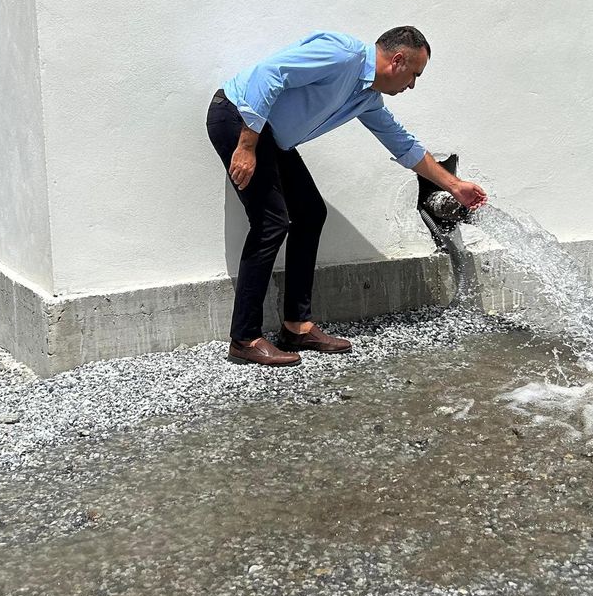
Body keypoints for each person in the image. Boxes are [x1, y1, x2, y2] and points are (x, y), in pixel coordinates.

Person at [206, 26, 488, 366]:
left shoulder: (367, 98)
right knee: (270, 222)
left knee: (310, 212)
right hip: (238, 117)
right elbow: (270, 73)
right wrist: (247, 145)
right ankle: (245, 339)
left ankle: (297, 326)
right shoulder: (343, 54)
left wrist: (454, 186)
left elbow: (403, 144)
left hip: (271, 136)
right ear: (398, 61)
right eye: (414, 75)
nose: (412, 85)